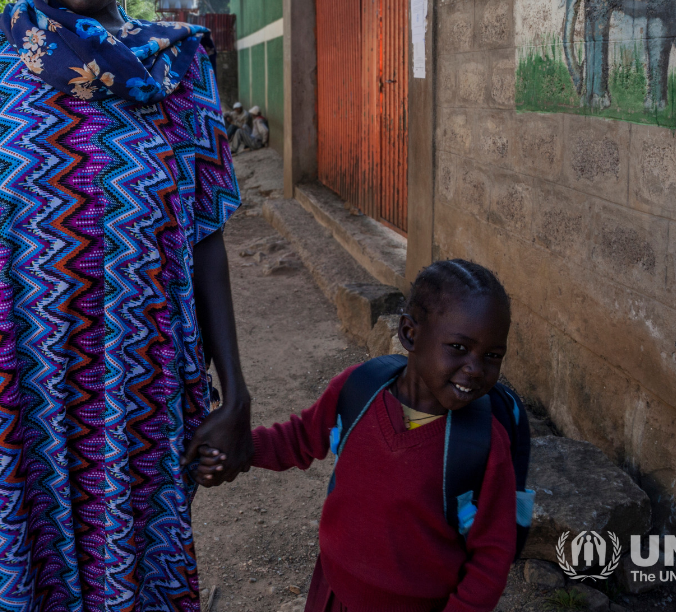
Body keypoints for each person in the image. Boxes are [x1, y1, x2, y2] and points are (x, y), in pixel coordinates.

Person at [0, 0, 251, 612]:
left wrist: (234, 392)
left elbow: (206, 233)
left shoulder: (178, 66)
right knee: (28, 567)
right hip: (16, 382)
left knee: (140, 572)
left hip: (140, 381)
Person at [196, 259, 517, 612]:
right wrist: (241, 449)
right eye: (459, 347)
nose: (475, 368)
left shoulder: (483, 443)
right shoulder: (358, 390)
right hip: (334, 592)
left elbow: (493, 552)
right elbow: (300, 437)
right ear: (410, 334)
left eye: (492, 355)